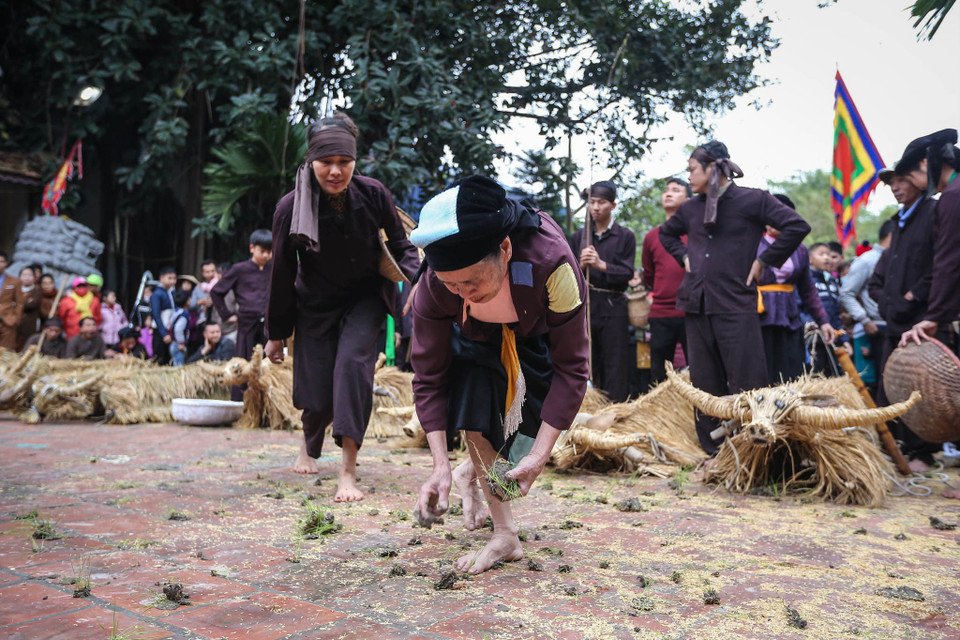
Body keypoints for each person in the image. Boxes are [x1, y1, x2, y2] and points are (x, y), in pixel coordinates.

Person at [409, 175, 588, 574]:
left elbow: (573, 370)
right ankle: (505, 535)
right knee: (475, 404)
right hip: (476, 337)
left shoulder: (552, 266)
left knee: (527, 436)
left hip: (533, 327)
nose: (464, 294)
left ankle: (471, 470)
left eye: (472, 281)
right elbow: (429, 376)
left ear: (504, 249)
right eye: (452, 285)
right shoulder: (436, 290)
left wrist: (541, 455)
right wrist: (437, 464)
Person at [265, 113, 420, 500]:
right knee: (316, 392)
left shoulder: (374, 194)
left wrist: (418, 280)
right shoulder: (289, 209)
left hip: (365, 297)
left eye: (344, 163)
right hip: (315, 302)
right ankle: (309, 442)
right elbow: (282, 274)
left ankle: (347, 471)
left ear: (355, 161)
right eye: (326, 162)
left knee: (352, 369)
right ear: (310, 161)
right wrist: (276, 336)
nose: (335, 171)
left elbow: (401, 245)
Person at [659, 141, 811, 456]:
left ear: (713, 168)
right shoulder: (690, 208)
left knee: (748, 380)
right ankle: (713, 452)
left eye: (692, 170)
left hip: (736, 303)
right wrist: (684, 255)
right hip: (697, 304)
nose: (688, 177)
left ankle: (751, 450)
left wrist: (763, 261)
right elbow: (666, 234)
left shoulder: (754, 200)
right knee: (703, 383)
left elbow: (797, 226)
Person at [568, 181, 635, 401]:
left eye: (602, 202)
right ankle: (588, 408)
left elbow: (627, 273)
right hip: (587, 305)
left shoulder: (625, 236)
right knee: (588, 358)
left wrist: (600, 264)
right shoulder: (579, 237)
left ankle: (615, 412)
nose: (596, 207)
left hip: (614, 305)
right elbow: (568, 274)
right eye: (592, 202)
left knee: (615, 362)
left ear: (613, 205)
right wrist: (582, 265)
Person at [756, 195, 835, 385]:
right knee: (761, 373)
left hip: (789, 318)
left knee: (791, 374)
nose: (776, 220)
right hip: (757, 318)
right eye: (771, 214)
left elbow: (808, 289)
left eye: (781, 215)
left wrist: (823, 321)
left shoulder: (799, 249)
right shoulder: (751, 243)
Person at [899, 129, 960, 350]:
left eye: (911, 178)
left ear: (924, 164)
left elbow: (950, 260)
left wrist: (934, 316)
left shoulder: (953, 196)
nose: (919, 186)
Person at [212, 230, 273, 397]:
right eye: (263, 251)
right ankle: (240, 405)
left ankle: (267, 405)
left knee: (268, 365)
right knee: (242, 365)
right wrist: (227, 315)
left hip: (269, 324)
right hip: (246, 324)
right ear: (252, 248)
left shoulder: (275, 268)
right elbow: (216, 292)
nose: (266, 255)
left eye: (270, 251)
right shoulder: (240, 269)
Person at [641, 178, 690, 384]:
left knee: (701, 369)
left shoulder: (696, 234)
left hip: (692, 311)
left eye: (676, 190)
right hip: (661, 312)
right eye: (666, 190)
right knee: (659, 373)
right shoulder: (652, 236)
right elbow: (649, 274)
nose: (668, 193)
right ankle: (659, 415)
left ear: (688, 199)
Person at [840, 218, 895, 395]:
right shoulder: (867, 260)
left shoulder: (898, 257)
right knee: (881, 380)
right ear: (892, 235)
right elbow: (846, 293)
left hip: (898, 325)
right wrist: (864, 320)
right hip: (876, 327)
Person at [808, 243, 850, 351]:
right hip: (811, 339)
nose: (827, 258)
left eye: (828, 254)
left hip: (832, 339)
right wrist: (814, 330)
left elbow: (835, 315)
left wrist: (844, 339)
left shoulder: (832, 282)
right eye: (821, 254)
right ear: (810, 259)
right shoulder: (805, 281)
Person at [150, 267, 178, 365]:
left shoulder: (172, 292)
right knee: (160, 359)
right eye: (169, 278)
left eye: (174, 278)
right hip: (161, 331)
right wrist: (163, 333)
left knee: (170, 359)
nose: (172, 281)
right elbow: (156, 314)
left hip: (170, 330)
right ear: (161, 278)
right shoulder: (157, 294)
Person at [0, 251, 25, 350]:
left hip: (8, 319)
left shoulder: (15, 281)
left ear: (6, 263)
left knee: (6, 351)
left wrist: (16, 319)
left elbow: (20, 302)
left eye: (1, 261)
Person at [16, 266, 41, 351]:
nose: (27, 277)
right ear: (19, 277)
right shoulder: (15, 289)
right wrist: (26, 300)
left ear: (34, 278)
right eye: (24, 275)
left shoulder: (37, 291)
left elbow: (31, 305)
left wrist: (19, 302)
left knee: (26, 346)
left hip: (29, 324)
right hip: (15, 322)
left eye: (30, 275)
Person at [190, 259, 220, 325]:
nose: (211, 274)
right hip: (203, 324)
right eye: (207, 272)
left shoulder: (222, 285)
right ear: (202, 273)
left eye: (213, 271)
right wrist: (200, 302)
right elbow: (190, 305)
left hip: (219, 325)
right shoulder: (199, 287)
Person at [168, 289, 192, 366]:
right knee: (179, 365)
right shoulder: (184, 314)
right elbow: (178, 329)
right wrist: (181, 342)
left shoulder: (176, 311)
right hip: (178, 344)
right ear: (186, 302)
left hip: (173, 343)